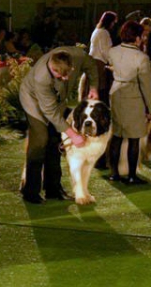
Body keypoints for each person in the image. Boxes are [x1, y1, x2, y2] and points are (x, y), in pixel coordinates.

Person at [19, 47, 99, 204]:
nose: (66, 78)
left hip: (57, 100)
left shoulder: (77, 56)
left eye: (68, 74)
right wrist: (73, 135)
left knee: (55, 141)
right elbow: (51, 113)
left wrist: (94, 87)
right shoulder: (41, 78)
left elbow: (91, 65)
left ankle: (53, 189)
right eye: (61, 76)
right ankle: (30, 191)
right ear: (52, 68)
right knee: (40, 141)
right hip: (33, 101)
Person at [108, 20, 151, 185]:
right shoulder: (141, 57)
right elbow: (146, 86)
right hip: (133, 96)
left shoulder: (112, 51)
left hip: (115, 93)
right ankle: (131, 176)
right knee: (134, 138)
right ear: (136, 37)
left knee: (117, 135)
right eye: (141, 36)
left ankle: (114, 173)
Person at [89, 11, 117, 103]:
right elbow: (105, 50)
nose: (113, 25)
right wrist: (113, 62)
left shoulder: (96, 31)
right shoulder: (104, 33)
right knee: (101, 86)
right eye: (113, 22)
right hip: (99, 62)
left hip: (92, 60)